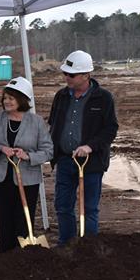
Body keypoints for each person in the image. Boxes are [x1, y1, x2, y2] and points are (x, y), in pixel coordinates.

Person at [48, 50, 119, 245]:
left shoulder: (103, 98)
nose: (66, 78)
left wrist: (90, 146)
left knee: (89, 208)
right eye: (65, 74)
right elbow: (53, 123)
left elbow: (110, 129)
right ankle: (66, 244)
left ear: (86, 75)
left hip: (91, 163)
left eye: (71, 75)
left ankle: (89, 248)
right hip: (64, 159)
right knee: (62, 206)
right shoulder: (61, 96)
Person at [0, 77, 54, 252]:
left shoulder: (36, 122)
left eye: (11, 98)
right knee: (5, 217)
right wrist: (0, 149)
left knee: (24, 215)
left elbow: (48, 150)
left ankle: (23, 253)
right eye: (5, 97)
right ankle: (6, 253)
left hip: (28, 178)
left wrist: (28, 156)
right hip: (2, 176)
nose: (6, 101)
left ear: (22, 99)